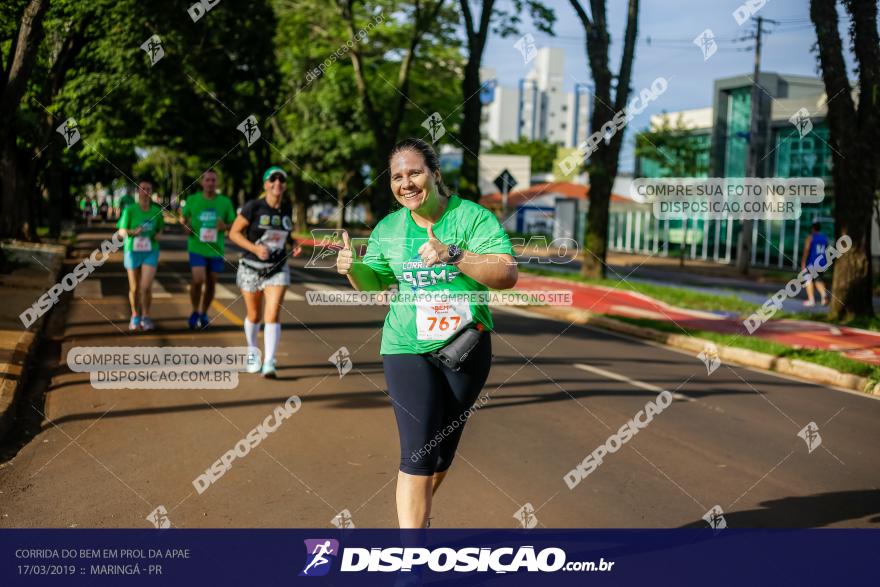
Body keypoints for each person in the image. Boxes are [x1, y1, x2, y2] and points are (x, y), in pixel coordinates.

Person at [336, 138, 518, 528]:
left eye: (414, 172)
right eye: (397, 176)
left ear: (435, 174)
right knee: (417, 453)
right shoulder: (389, 228)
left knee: (441, 454)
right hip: (405, 345)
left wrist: (456, 254)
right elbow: (374, 284)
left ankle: (417, 520)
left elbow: (506, 274)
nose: (406, 183)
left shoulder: (471, 218)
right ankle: (411, 557)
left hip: (465, 346)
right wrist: (353, 268)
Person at [229, 166, 302, 378]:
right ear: (266, 184)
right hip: (251, 267)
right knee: (254, 315)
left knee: (273, 314)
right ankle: (253, 353)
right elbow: (233, 233)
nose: (277, 183)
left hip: (277, 268)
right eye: (273, 179)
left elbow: (285, 235)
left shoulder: (287, 208)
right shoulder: (254, 207)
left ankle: (269, 361)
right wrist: (254, 248)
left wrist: (293, 243)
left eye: (281, 180)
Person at [180, 170, 236, 329]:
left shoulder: (225, 202)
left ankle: (203, 313)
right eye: (207, 180)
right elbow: (183, 218)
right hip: (196, 246)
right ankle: (194, 311)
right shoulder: (193, 199)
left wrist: (224, 226)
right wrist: (186, 227)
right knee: (198, 279)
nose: (210, 183)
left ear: (217, 183)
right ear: (202, 182)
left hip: (216, 249)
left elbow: (233, 223)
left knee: (212, 283)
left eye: (213, 180)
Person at [117, 179, 164, 331]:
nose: (145, 191)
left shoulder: (156, 211)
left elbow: (160, 229)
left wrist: (158, 235)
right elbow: (121, 231)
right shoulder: (130, 210)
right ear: (138, 191)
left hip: (151, 250)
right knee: (134, 287)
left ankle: (146, 316)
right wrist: (131, 232)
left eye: (148, 189)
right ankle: (135, 314)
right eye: (142, 188)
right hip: (132, 250)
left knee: (146, 286)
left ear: (151, 192)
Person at [801, 221, 829, 307]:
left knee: (808, 280)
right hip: (822, 262)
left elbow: (806, 250)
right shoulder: (825, 238)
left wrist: (803, 261)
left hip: (812, 262)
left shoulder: (810, 237)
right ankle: (824, 295)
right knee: (818, 280)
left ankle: (811, 300)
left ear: (812, 229)